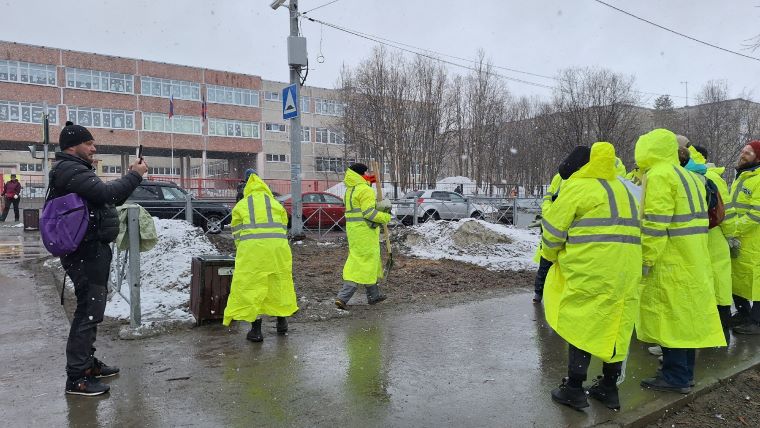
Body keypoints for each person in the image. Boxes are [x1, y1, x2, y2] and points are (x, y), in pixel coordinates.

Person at [542, 143, 641, 410]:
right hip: (626, 270)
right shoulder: (625, 190)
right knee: (616, 324)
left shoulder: (578, 187)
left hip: (590, 268)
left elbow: (552, 232)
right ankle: (608, 387)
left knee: (582, 321)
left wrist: (550, 257)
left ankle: (574, 388)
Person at [51, 121, 147, 396]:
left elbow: (103, 198)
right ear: (73, 145)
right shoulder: (70, 169)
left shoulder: (75, 169)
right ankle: (77, 378)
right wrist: (136, 176)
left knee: (92, 309)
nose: (94, 148)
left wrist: (129, 176)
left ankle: (87, 364)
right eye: (89, 143)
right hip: (85, 251)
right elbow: (108, 194)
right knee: (88, 311)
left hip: (90, 249)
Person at [635, 129, 725, 394]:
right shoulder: (691, 176)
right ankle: (684, 373)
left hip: (669, 258)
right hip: (693, 256)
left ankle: (675, 377)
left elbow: (655, 223)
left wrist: (646, 259)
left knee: (670, 317)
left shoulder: (660, 175)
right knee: (685, 318)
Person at [223, 172, 298, 342]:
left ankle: (256, 331)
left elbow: (237, 234)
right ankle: (282, 323)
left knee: (252, 286)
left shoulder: (242, 205)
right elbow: (286, 224)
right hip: (278, 251)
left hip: (253, 252)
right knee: (278, 284)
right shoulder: (275, 203)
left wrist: (245, 249)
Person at [688, 145, 733, 342]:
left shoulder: (705, 177)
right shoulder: (706, 176)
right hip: (711, 239)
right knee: (716, 291)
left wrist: (731, 235)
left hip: (710, 240)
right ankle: (719, 338)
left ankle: (717, 338)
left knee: (713, 291)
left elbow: (725, 212)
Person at [335, 163, 392, 309]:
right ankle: (343, 297)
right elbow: (369, 213)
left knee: (367, 261)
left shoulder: (350, 190)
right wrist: (385, 217)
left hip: (354, 232)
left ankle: (373, 295)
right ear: (361, 174)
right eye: (366, 173)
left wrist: (369, 183)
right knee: (360, 264)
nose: (368, 175)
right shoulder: (365, 190)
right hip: (366, 232)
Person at [725, 140, 760, 334]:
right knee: (738, 277)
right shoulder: (743, 175)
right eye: (743, 151)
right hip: (740, 238)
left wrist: (734, 228)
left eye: (748, 152)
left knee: (756, 280)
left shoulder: (758, 179)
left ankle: (756, 321)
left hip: (754, 239)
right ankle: (743, 313)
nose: (743, 154)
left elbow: (756, 214)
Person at [532, 172, 563, 303]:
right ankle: (539, 293)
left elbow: (548, 198)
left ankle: (539, 293)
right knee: (547, 260)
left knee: (546, 260)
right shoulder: (562, 178)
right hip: (557, 220)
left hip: (553, 220)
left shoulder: (559, 177)